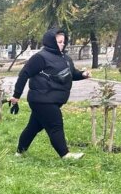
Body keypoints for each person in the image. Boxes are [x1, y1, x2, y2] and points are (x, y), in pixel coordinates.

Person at [9, 27, 90, 160]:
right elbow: (24, 74)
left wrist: (83, 74)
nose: (62, 44)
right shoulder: (40, 57)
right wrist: (16, 96)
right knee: (55, 125)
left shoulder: (65, 58)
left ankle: (19, 152)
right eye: (59, 42)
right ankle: (65, 155)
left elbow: (71, 74)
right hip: (42, 99)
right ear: (51, 42)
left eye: (63, 41)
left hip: (52, 100)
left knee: (33, 127)